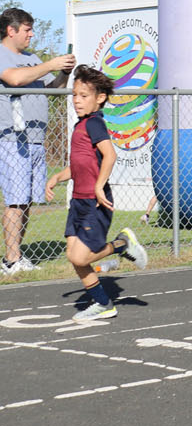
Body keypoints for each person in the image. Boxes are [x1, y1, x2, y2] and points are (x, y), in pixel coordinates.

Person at [42, 65, 148, 319]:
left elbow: (110, 155)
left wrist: (99, 185)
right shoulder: (81, 125)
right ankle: (103, 304)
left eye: (83, 96)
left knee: (81, 257)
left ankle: (122, 245)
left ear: (100, 98)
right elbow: (81, 165)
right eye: (75, 95)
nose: (77, 101)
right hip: (78, 203)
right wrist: (58, 176)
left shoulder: (95, 124)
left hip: (94, 203)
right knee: (74, 257)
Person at [1, 8, 76, 275]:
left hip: (36, 140)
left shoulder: (32, 58)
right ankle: (10, 261)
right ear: (11, 31)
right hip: (12, 139)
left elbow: (53, 89)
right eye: (27, 29)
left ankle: (17, 256)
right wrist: (50, 64)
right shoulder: (2, 55)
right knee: (15, 200)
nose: (31, 35)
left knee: (27, 201)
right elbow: (15, 78)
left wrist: (64, 72)